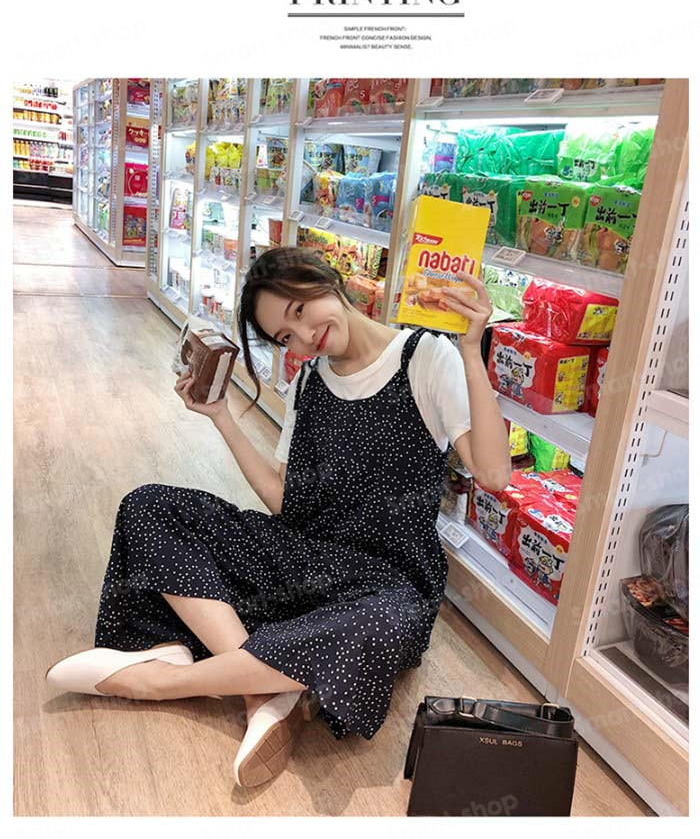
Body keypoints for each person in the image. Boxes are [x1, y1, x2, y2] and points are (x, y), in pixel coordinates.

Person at [45, 246, 510, 787]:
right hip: (302, 556)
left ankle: (159, 683)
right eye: (287, 336)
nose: (305, 336)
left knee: (378, 627)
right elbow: (286, 503)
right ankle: (264, 690)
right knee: (150, 507)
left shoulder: (425, 356)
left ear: (325, 279)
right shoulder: (309, 381)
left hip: (386, 578)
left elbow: (493, 473)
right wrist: (221, 416)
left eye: (300, 310)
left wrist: (471, 352)